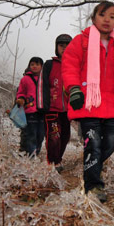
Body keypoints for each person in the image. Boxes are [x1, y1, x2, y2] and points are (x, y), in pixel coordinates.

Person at [62, 1, 114, 203]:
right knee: (93, 144)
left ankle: (91, 166)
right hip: (88, 104)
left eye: (112, 16)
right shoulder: (81, 41)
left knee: (113, 141)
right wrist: (74, 89)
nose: (107, 19)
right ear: (94, 17)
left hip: (112, 105)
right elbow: (69, 66)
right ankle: (93, 186)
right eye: (103, 14)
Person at [42, 34, 73, 172]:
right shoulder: (49, 64)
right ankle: (53, 163)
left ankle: (57, 159)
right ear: (56, 47)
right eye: (61, 46)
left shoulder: (74, 66)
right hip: (52, 109)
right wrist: (43, 105)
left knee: (65, 137)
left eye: (67, 46)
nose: (64, 48)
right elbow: (42, 85)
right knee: (54, 136)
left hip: (67, 110)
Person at [15, 56, 46, 157]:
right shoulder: (25, 79)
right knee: (31, 133)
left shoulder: (45, 79)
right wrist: (21, 99)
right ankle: (31, 156)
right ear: (29, 66)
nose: (34, 66)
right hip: (30, 111)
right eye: (32, 64)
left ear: (42, 66)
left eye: (37, 64)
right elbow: (21, 92)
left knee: (40, 135)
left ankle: (35, 152)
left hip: (42, 111)